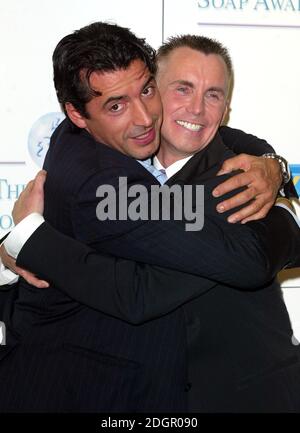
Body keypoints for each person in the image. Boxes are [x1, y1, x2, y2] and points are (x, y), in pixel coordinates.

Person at [0, 23, 299, 413]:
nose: (196, 108)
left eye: (213, 95)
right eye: (182, 89)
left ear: (225, 109)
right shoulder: (95, 174)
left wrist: (276, 170)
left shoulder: (244, 167)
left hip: (250, 393)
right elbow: (136, 291)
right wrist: (18, 246)